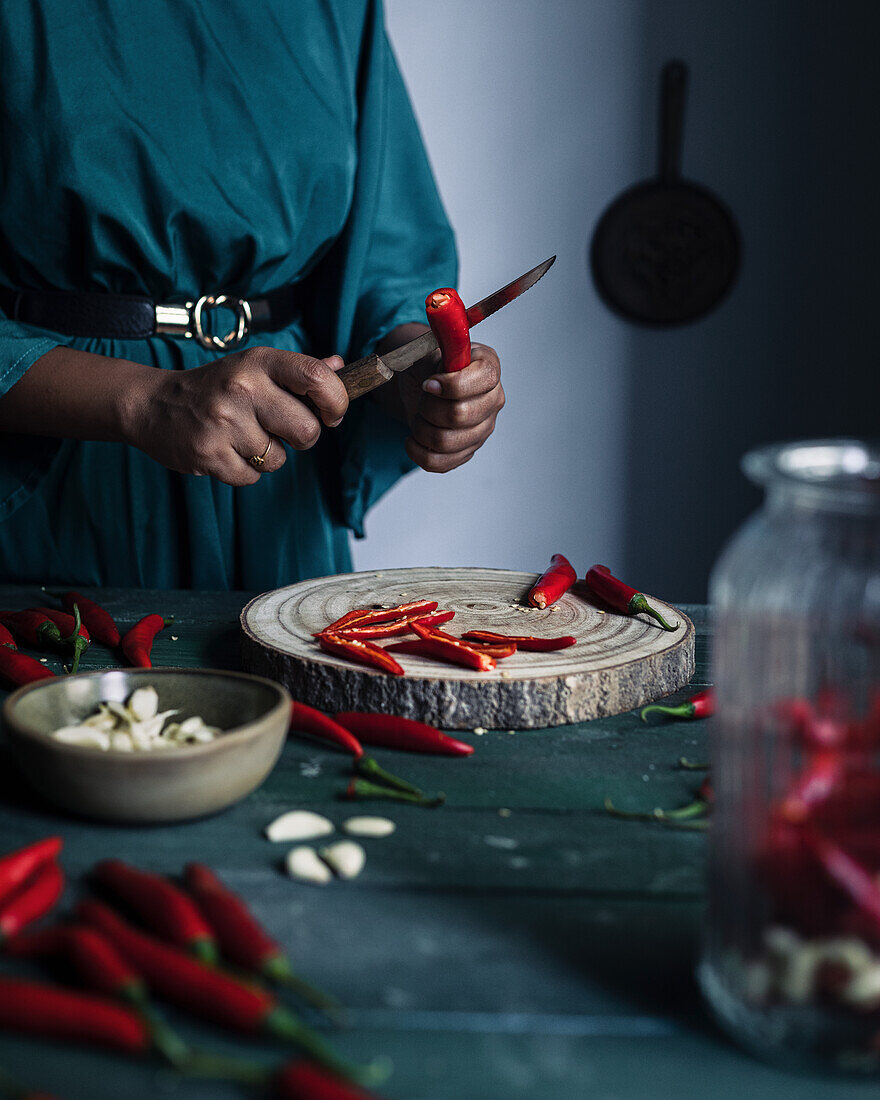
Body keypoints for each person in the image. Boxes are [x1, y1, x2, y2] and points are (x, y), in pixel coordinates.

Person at [0, 0, 504, 591]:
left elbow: (385, 264)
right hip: (57, 489)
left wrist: (422, 375)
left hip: (276, 485)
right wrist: (143, 400)